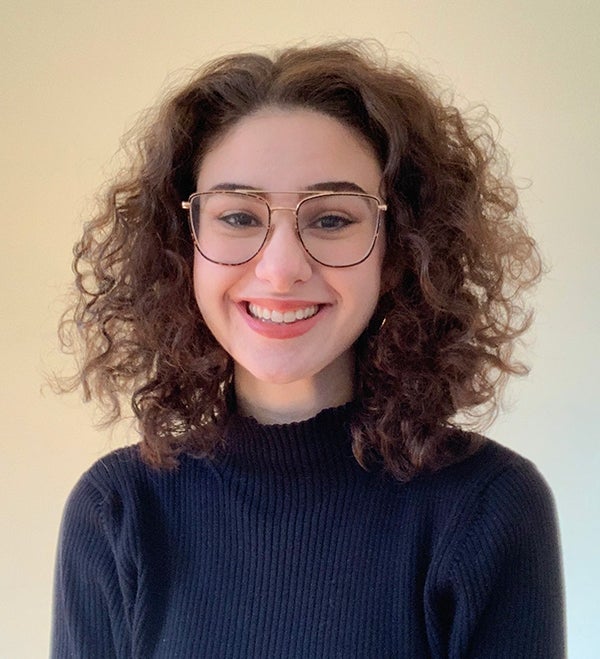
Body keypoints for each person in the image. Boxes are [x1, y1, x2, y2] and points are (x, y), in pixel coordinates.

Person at [51, 42, 564, 657]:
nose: (280, 269)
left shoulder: (488, 507)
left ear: (400, 249)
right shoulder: (117, 513)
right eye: (239, 217)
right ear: (179, 247)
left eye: (330, 219)